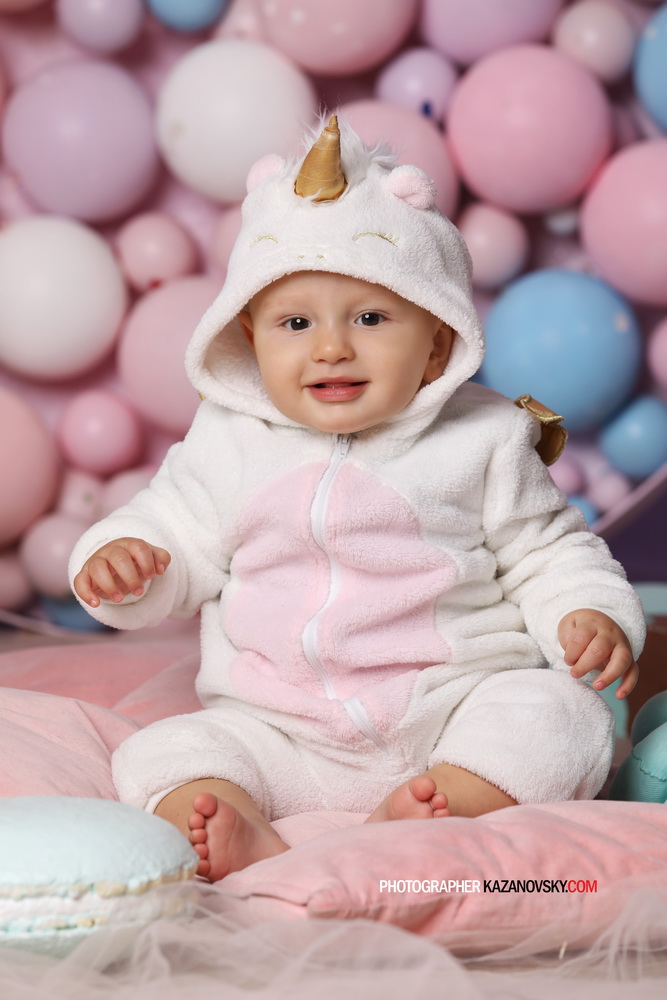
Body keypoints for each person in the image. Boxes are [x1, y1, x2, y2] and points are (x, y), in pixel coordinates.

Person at [70, 116, 645, 882]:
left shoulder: (483, 439)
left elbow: (548, 551)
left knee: (562, 718)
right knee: (161, 751)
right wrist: (125, 562)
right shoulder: (227, 440)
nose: (330, 347)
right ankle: (227, 822)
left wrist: (589, 613)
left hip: (453, 709)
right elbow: (174, 531)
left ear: (437, 340)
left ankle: (445, 802)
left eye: (371, 318)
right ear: (249, 334)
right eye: (295, 322)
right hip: (280, 732)